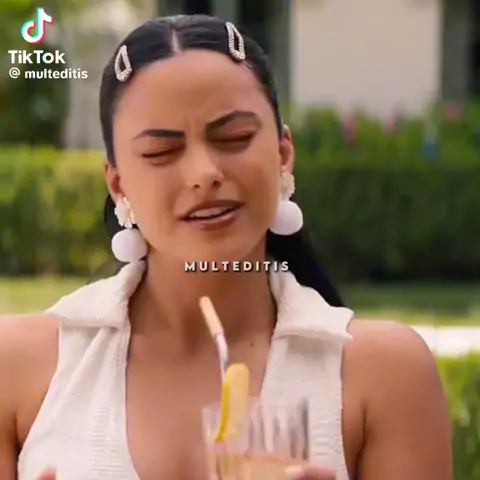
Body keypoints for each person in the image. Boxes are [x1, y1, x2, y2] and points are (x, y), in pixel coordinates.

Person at [0, 14, 452, 480]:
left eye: (234, 138)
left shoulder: (381, 375)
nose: (204, 173)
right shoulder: (19, 367)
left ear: (283, 154)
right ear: (118, 185)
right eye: (161, 153)